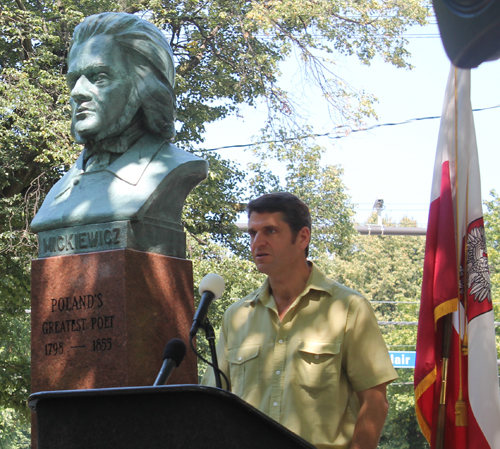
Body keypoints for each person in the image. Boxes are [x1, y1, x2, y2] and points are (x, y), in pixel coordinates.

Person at [202, 192, 398, 449]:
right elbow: (212, 404)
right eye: (252, 233)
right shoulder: (237, 316)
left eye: (270, 231)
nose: (257, 242)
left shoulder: (348, 308)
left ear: (303, 237)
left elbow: (374, 402)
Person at [31, 12, 207, 234]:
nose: (77, 92)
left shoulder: (175, 168)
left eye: (99, 77)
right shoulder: (59, 191)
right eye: (74, 79)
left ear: (145, 87)